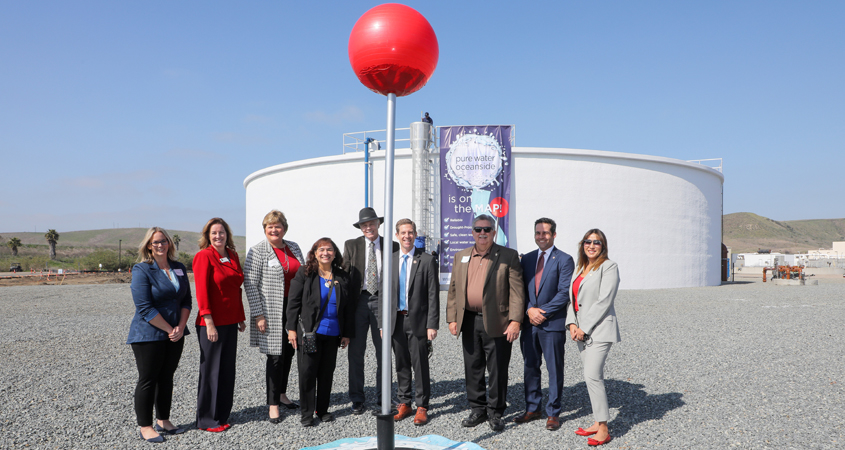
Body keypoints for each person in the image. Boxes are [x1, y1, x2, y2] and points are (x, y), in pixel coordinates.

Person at [446, 214, 525, 432]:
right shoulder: (461, 256)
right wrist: (452, 318)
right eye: (478, 229)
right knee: (473, 367)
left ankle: (496, 411)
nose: (482, 233)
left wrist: (515, 320)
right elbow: (453, 290)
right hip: (469, 320)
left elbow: (518, 292)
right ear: (472, 232)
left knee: (498, 368)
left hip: (498, 321)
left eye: (487, 229)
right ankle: (477, 409)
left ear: (494, 232)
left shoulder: (508, 256)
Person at [128, 227, 191, 443]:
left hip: (176, 332)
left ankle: (163, 420)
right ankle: (145, 426)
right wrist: (169, 329)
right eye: (156, 242)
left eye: (164, 241)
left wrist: (181, 327)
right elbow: (144, 307)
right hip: (149, 334)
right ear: (149, 246)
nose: (160, 245)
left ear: (169, 243)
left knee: (167, 378)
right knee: (148, 379)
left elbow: (186, 301)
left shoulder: (179, 268)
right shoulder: (142, 270)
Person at [244, 210, 305, 423]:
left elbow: (304, 274)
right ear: (265, 229)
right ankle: (272, 404)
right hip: (271, 310)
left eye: (277, 226)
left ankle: (282, 394)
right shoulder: (258, 251)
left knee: (289, 352)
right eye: (270, 226)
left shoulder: (294, 247)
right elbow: (250, 284)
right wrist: (258, 314)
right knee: (276, 356)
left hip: (294, 308)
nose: (274, 229)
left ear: (284, 229)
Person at [378, 219, 439, 425]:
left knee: (420, 363)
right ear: (397, 235)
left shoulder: (427, 260)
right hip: (395, 320)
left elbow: (432, 295)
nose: (407, 236)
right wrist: (382, 323)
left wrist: (432, 324)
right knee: (401, 363)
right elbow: (383, 294)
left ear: (415, 235)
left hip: (418, 322)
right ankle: (405, 402)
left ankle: (422, 405)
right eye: (403, 233)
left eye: (411, 232)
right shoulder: (390, 260)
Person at [515, 218, 574, 431]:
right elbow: (519, 289)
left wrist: (543, 312)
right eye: (538, 232)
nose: (542, 236)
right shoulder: (527, 259)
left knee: (554, 369)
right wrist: (530, 309)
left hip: (552, 325)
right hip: (530, 322)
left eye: (546, 233)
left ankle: (553, 412)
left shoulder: (564, 259)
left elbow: (564, 292)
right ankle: (533, 408)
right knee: (530, 366)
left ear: (554, 235)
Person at [286, 238, 354, 427]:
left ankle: (322, 410)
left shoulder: (342, 276)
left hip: (333, 333)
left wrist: (347, 333)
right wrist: (291, 329)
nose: (326, 253)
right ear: (314, 253)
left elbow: (348, 308)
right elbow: (293, 302)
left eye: (330, 250)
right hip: (310, 333)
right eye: (321, 249)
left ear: (335, 253)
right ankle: (307, 413)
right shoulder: (305, 273)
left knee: (326, 373)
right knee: (307, 373)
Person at [565, 229, 621, 447]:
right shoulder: (580, 268)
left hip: (599, 331)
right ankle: (598, 422)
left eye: (596, 242)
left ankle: (604, 428)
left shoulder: (609, 267)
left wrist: (583, 328)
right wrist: (571, 324)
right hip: (579, 332)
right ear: (582, 244)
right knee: (590, 378)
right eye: (588, 241)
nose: (591, 245)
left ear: (603, 246)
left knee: (592, 377)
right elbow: (573, 301)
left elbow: (604, 301)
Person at [342, 207, 399, 415]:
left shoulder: (392, 246)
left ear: (378, 224)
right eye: (364, 225)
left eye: (372, 223)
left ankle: (383, 396)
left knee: (383, 351)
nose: (368, 227)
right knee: (356, 353)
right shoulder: (351, 245)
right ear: (361, 227)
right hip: (358, 302)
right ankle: (357, 398)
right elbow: (345, 276)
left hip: (382, 302)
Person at [193, 218, 246, 432]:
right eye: (213, 233)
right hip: (211, 323)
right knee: (211, 371)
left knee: (226, 370)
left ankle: (222, 414)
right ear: (207, 236)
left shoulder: (232, 255)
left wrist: (240, 316)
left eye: (221, 232)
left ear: (227, 234)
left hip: (230, 322)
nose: (218, 236)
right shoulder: (203, 256)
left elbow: (235, 288)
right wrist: (209, 322)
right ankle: (206, 419)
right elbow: (202, 291)